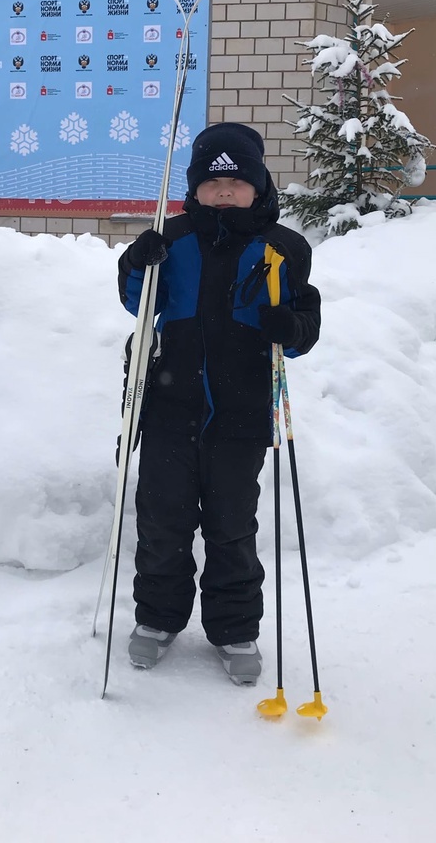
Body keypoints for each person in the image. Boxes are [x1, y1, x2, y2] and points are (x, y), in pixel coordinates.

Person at [118, 122, 321, 685]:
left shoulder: (284, 247)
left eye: (236, 182)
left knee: (232, 528)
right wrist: (137, 261)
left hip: (242, 414)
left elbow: (305, 322)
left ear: (259, 187)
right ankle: (157, 618)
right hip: (169, 409)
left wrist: (290, 327)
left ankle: (235, 628)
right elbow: (138, 302)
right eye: (212, 183)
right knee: (163, 521)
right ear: (194, 189)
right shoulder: (172, 238)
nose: (224, 191)